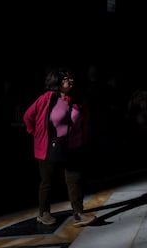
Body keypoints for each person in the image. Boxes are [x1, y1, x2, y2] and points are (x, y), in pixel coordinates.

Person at [23, 67, 96, 227]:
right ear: (57, 81)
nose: (70, 81)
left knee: (75, 181)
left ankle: (78, 213)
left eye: (71, 78)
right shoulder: (47, 99)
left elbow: (83, 120)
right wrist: (35, 133)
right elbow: (28, 116)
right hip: (50, 146)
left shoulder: (78, 99)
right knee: (47, 181)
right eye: (66, 79)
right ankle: (43, 213)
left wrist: (82, 140)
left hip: (73, 147)